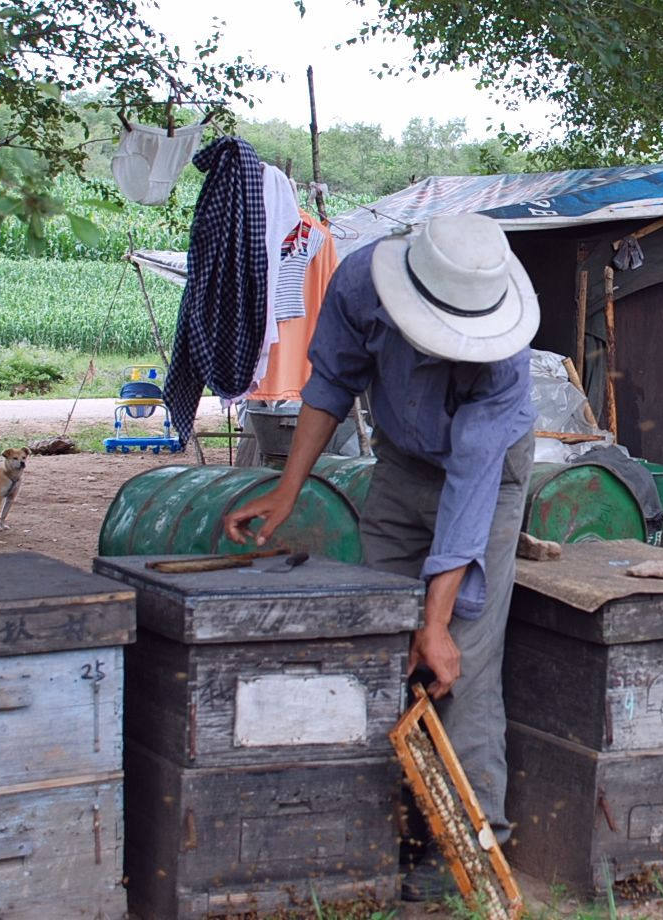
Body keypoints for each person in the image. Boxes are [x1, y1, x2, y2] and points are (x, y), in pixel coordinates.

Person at [220, 213, 539, 902]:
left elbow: (469, 497)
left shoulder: (504, 365)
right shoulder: (361, 282)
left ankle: (470, 850)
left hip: (487, 480)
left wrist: (437, 622)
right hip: (399, 463)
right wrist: (287, 489)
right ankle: (380, 831)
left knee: (459, 658)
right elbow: (331, 383)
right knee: (380, 643)